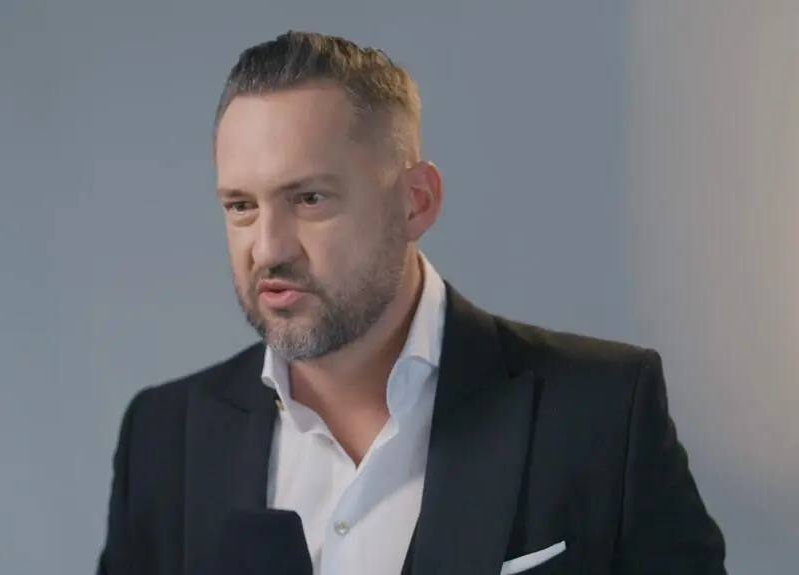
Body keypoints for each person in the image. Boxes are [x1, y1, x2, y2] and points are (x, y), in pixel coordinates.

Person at [96, 31, 726, 575]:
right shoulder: (163, 436)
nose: (267, 248)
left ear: (416, 201)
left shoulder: (602, 414)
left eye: (309, 199)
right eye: (241, 206)